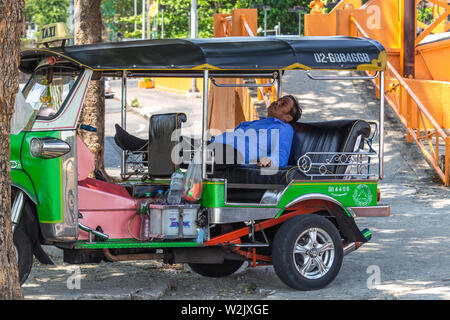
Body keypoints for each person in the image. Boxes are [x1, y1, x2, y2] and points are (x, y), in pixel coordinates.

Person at [211, 95, 302, 168]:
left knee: (201, 155)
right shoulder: (253, 123)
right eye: (279, 100)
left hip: (233, 153)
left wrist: (270, 161)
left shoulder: (284, 128)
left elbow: (281, 154)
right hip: (216, 144)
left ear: (288, 118)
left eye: (283, 104)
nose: (277, 102)